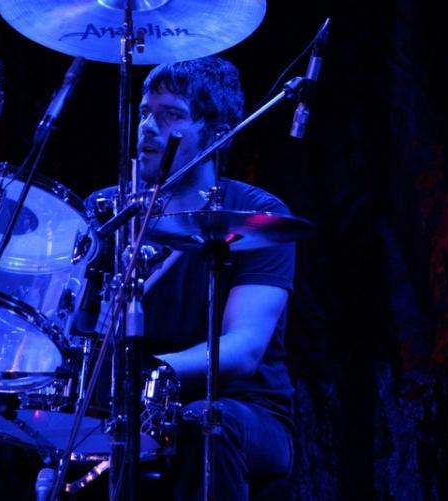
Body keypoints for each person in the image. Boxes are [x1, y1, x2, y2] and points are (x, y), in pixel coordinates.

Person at [87, 55, 295, 500]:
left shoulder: (257, 215)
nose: (148, 127)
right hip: (122, 405)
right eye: (145, 112)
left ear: (216, 134)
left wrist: (152, 375)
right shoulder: (108, 212)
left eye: (171, 115)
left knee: (203, 422)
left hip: (243, 409)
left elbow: (245, 348)